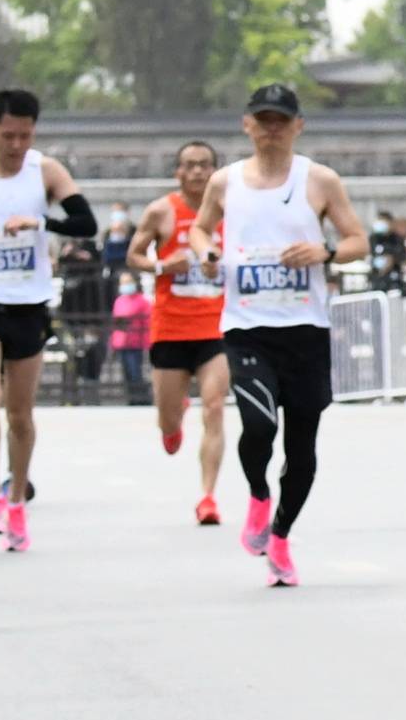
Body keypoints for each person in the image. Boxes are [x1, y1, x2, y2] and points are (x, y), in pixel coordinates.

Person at [200, 83, 370, 588]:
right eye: (263, 119)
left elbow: (358, 240)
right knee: (257, 424)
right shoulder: (224, 182)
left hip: (305, 329)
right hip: (247, 325)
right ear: (246, 124)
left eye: (281, 120)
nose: (271, 129)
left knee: (301, 444)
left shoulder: (320, 180)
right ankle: (257, 494)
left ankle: (281, 534)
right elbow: (200, 229)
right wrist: (207, 253)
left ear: (298, 126)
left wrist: (325, 253)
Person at [0, 89, 95, 553]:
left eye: (25, 136)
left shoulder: (45, 171)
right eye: (8, 135)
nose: (16, 145)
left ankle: (17, 498)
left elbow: (85, 223)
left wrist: (39, 222)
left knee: (21, 414)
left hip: (28, 302)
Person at [126, 141, 233, 524]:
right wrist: (160, 267)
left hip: (215, 327)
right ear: (178, 172)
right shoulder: (161, 211)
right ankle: (173, 420)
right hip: (171, 329)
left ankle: (208, 497)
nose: (198, 173)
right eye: (190, 166)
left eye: (206, 165)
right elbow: (133, 255)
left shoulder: (232, 212)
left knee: (216, 406)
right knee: (168, 422)